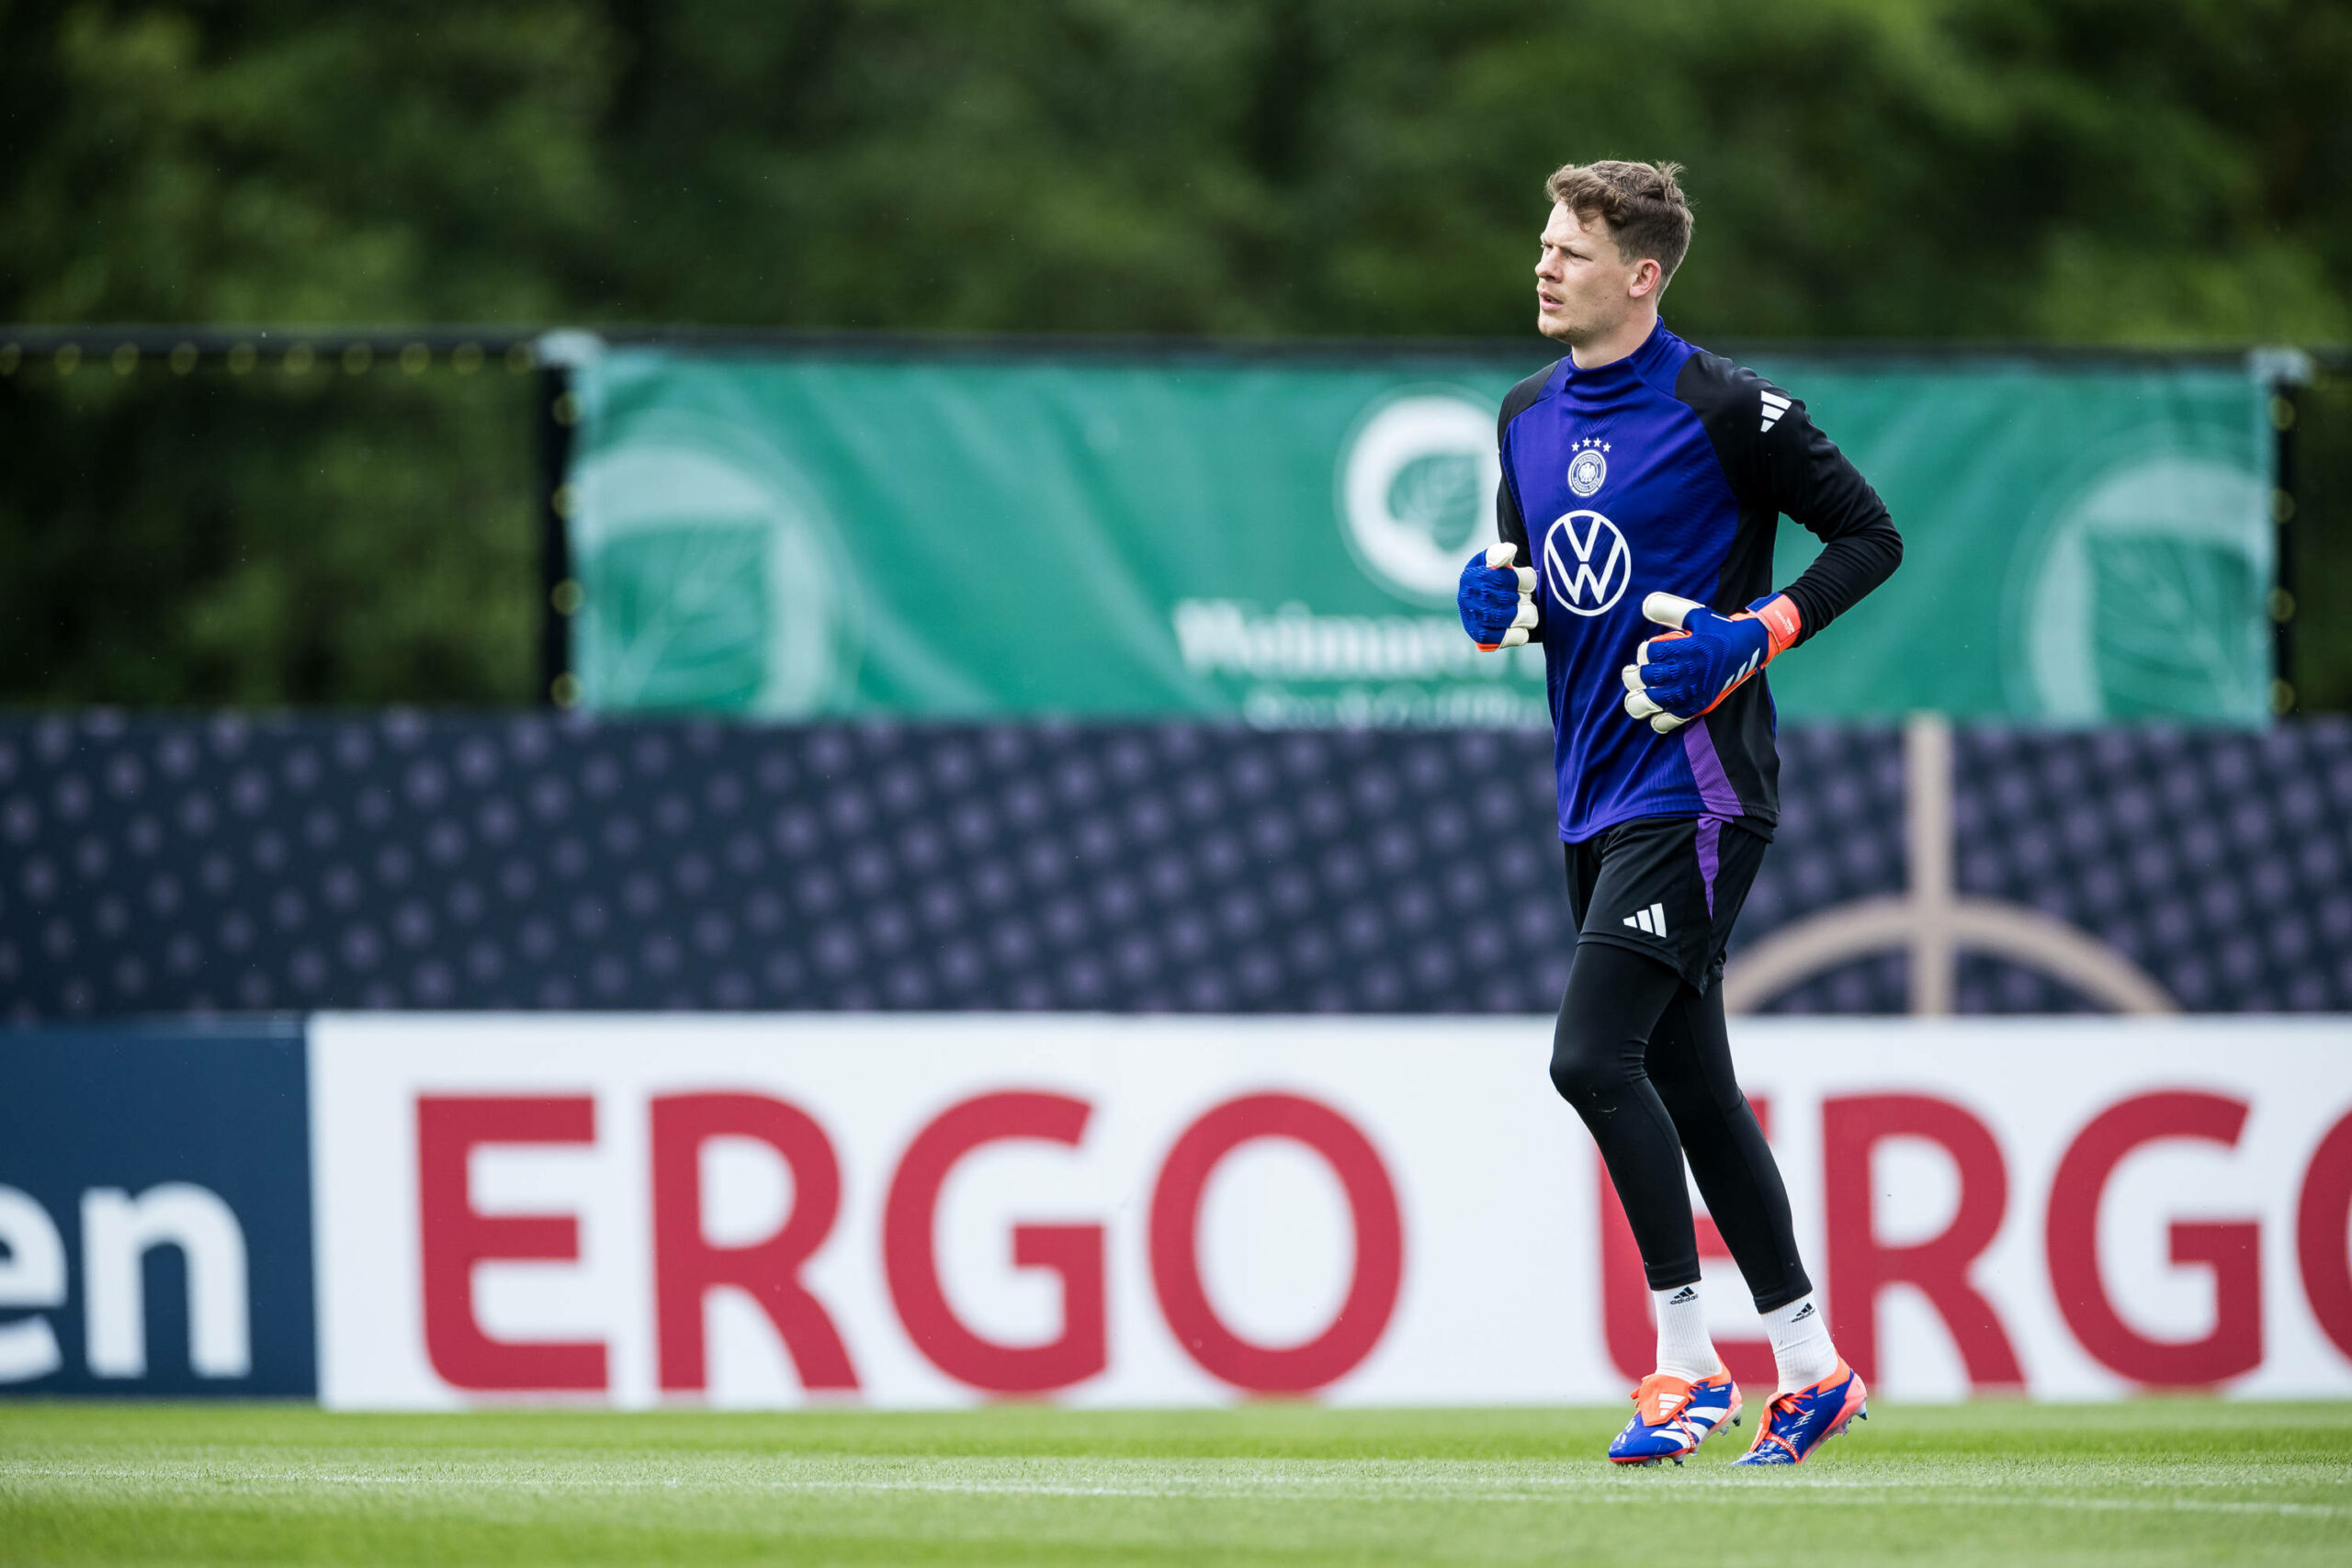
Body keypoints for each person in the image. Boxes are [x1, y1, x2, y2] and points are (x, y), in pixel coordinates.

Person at [1458, 160, 1902, 1467]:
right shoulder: (1523, 414)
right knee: (1693, 1085)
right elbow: (1525, 567)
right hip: (1591, 794)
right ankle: (1812, 1368)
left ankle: (1685, 1363)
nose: (1545, 265)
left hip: (1699, 787)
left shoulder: (1729, 408)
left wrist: (1753, 637)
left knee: (1592, 1058)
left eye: (1573, 251)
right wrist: (1494, 601)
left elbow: (1869, 537)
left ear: (1642, 276)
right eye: (1543, 243)